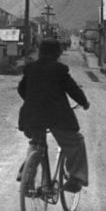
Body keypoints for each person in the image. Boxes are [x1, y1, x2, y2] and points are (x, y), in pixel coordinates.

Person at [17, 38, 90, 193]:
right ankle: (76, 178)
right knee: (76, 142)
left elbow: (21, 89)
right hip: (57, 117)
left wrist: (33, 101)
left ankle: (26, 176)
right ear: (56, 53)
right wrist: (84, 102)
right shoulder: (59, 69)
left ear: (40, 52)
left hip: (32, 116)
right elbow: (73, 90)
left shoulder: (30, 68)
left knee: (37, 144)